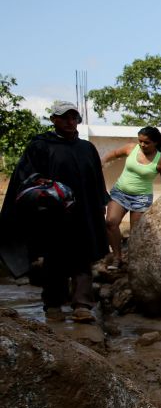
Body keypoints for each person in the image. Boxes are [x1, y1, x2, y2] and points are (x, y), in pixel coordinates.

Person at [0, 101, 109, 323]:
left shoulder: (86, 149)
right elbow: (26, 178)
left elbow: (97, 181)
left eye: (74, 118)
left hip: (83, 214)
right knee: (55, 259)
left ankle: (82, 305)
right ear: (54, 120)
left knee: (82, 257)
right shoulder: (40, 146)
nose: (70, 122)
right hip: (52, 217)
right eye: (65, 118)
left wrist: (99, 207)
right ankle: (53, 305)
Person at [100, 126, 161, 269]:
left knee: (136, 232)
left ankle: (134, 261)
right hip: (120, 192)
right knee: (110, 222)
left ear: (156, 143)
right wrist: (102, 161)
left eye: (146, 142)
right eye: (140, 141)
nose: (142, 145)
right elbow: (114, 153)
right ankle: (117, 257)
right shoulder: (131, 148)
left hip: (141, 199)